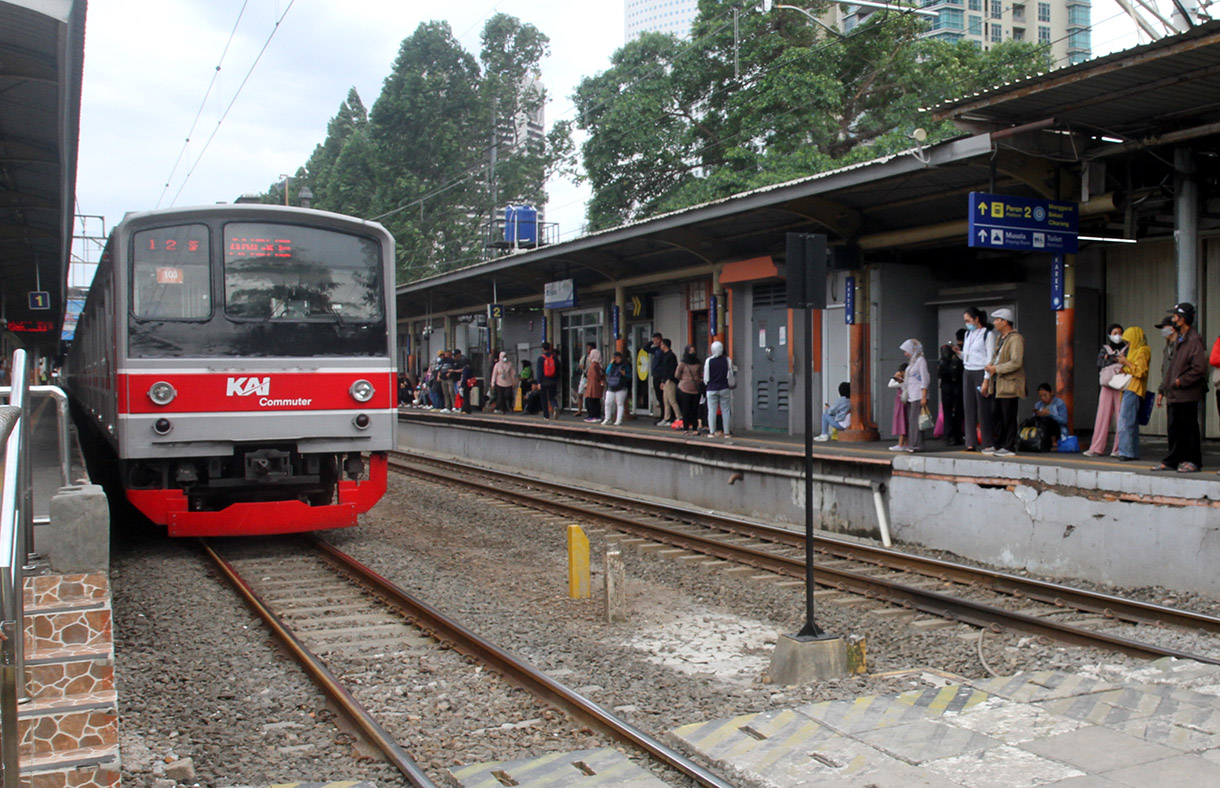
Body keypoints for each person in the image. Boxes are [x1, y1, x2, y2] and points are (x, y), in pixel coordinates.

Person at [1154, 302, 1206, 472]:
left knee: (1188, 428)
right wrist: (1166, 388)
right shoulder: (1180, 340)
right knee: (1174, 428)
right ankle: (1172, 460)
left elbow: (1199, 369)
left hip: (1186, 393)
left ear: (1183, 319)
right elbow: (1171, 367)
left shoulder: (1194, 340)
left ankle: (1192, 461)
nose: (1174, 319)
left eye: (1176, 316)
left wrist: (1180, 381)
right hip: (1174, 394)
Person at [983, 307, 1025, 456]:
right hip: (998, 384)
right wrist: (991, 368)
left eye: (997, 320)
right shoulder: (1001, 338)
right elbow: (997, 357)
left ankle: (1009, 446)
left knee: (1008, 415)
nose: (994, 323)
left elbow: (1016, 362)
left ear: (1005, 322)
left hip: (1009, 384)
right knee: (997, 415)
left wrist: (996, 368)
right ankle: (998, 443)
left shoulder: (1015, 338)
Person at [1083, 323, 1127, 457]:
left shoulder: (1127, 348)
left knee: (1122, 416)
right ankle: (1096, 448)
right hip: (1107, 385)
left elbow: (1125, 361)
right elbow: (1099, 362)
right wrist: (1116, 360)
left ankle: (1119, 449)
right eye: (1114, 333)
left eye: (1119, 332)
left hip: (1121, 384)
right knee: (1102, 415)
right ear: (1109, 335)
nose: (1117, 336)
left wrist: (1109, 358)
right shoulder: (1105, 348)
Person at [960, 307, 996, 452]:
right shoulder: (968, 334)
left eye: (968, 320)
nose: (967, 323)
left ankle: (987, 442)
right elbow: (967, 355)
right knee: (968, 408)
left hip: (981, 371)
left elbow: (990, 358)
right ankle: (970, 441)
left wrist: (986, 379)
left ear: (976, 319)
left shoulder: (988, 334)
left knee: (983, 408)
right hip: (968, 370)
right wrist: (959, 353)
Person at [1113, 326, 1150, 462]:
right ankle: (1131, 452)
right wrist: (1124, 367)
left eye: (1129, 341)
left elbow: (1140, 371)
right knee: (1131, 422)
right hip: (1129, 388)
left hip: (1135, 388)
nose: (1127, 344)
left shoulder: (1143, 350)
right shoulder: (1133, 350)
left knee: (1125, 421)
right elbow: (1132, 369)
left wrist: (1125, 362)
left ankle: (1126, 452)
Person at [901, 339, 929, 453]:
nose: (905, 353)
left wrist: (924, 396)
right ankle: (915, 444)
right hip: (912, 395)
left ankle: (916, 445)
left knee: (916, 421)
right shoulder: (913, 361)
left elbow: (925, 378)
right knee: (913, 421)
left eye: (906, 350)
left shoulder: (920, 361)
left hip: (918, 395)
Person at [703, 340, 734, 438]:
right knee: (726, 410)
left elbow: (706, 377)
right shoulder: (727, 360)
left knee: (711, 411)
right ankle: (727, 432)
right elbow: (731, 374)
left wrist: (707, 383)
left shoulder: (709, 361)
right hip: (724, 387)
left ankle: (712, 432)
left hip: (711, 388)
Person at [938, 331, 965, 445]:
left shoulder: (947, 350)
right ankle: (958, 435)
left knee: (947, 411)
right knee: (959, 411)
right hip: (958, 385)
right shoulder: (962, 351)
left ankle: (948, 436)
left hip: (945, 385)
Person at [675, 344, 703, 434]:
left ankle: (694, 428)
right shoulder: (683, 363)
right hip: (685, 389)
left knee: (694, 409)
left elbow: (700, 373)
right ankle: (686, 428)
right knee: (686, 409)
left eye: (693, 350)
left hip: (695, 389)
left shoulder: (698, 363)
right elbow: (676, 374)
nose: (692, 352)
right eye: (690, 351)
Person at [602, 351, 632, 426]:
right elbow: (607, 372)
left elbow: (629, 377)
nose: (617, 359)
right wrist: (611, 363)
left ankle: (618, 420)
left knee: (619, 403)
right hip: (611, 386)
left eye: (618, 358)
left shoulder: (625, 366)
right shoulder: (612, 365)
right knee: (608, 402)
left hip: (621, 386)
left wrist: (624, 374)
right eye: (615, 358)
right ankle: (607, 418)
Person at [656, 338, 679, 426]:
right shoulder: (664, 355)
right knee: (665, 401)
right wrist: (662, 381)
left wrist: (669, 379)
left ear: (665, 345)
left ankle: (679, 417)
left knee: (672, 400)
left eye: (662, 344)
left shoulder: (671, 356)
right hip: (665, 380)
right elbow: (664, 370)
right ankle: (667, 418)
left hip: (670, 380)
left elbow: (673, 369)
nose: (660, 346)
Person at [535, 342, 562, 419]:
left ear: (543, 349)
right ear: (550, 348)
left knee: (544, 398)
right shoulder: (554, 358)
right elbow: (558, 369)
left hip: (544, 381)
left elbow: (539, 371)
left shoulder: (540, 358)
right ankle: (555, 406)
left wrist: (539, 382)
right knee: (552, 397)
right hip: (553, 381)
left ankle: (546, 415)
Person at [888, 363, 908, 451]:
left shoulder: (904, 382)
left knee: (901, 422)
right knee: (905, 423)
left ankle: (900, 444)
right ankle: (906, 444)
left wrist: (894, 376)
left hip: (901, 403)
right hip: (904, 403)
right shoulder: (905, 381)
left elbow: (890, 385)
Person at [583, 345, 605, 422]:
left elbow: (593, 376)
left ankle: (592, 416)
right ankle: (597, 416)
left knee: (589, 401)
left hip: (592, 385)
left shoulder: (593, 365)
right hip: (597, 386)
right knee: (596, 401)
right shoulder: (600, 365)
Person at [648, 332, 664, 418]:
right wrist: (651, 342)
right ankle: (663, 414)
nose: (655, 341)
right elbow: (645, 349)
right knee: (658, 395)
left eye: (657, 339)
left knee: (662, 397)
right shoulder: (656, 349)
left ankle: (664, 415)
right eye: (654, 339)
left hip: (661, 376)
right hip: (655, 375)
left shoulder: (663, 351)